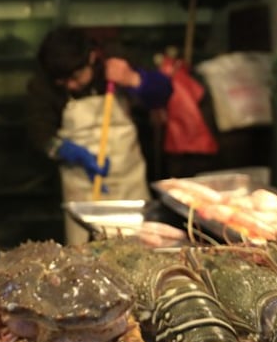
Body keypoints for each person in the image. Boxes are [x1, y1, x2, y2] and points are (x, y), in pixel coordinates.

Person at [26, 29, 172, 245]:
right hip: (81, 187)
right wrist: (67, 150)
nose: (71, 85)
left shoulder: (115, 64)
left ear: (92, 57)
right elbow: (40, 134)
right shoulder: (43, 84)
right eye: (62, 82)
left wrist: (133, 79)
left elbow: (164, 93)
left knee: (138, 248)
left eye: (75, 77)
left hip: (129, 181)